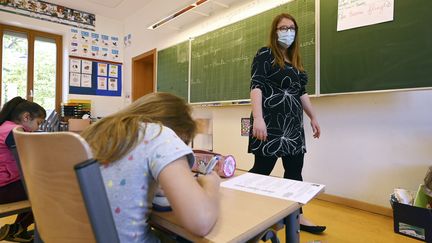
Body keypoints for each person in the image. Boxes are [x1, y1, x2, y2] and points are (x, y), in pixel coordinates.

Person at [81, 92, 220, 242]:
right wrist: (211, 185)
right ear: (177, 132)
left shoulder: (94, 133)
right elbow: (201, 222)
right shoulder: (160, 134)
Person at [248, 13, 325, 234]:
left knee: (295, 172)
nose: (288, 31)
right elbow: (256, 86)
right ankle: (245, 208)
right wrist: (259, 118)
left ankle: (295, 217)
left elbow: (301, 93)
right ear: (275, 31)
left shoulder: (297, 62)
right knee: (263, 169)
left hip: (292, 126)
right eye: (283, 28)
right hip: (269, 121)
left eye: (292, 28)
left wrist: (313, 117)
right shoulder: (265, 54)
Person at [0, 96, 46, 242]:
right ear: (26, 117)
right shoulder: (15, 131)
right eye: (38, 123)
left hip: (6, 185)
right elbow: (26, 161)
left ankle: (18, 229)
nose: (38, 128)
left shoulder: (5, 127)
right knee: (52, 192)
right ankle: (18, 227)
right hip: (3, 188)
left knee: (41, 187)